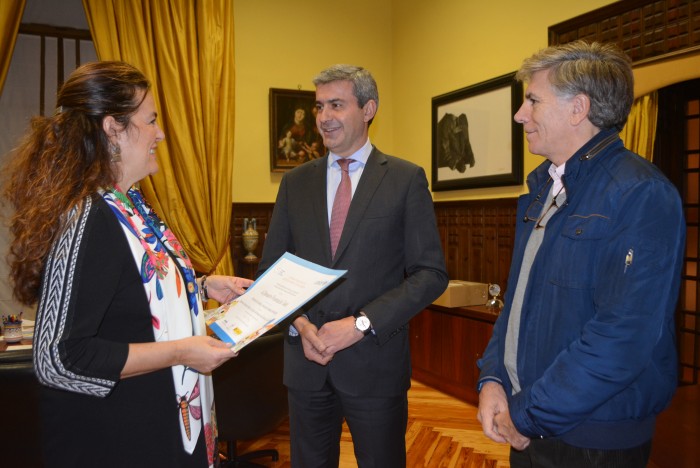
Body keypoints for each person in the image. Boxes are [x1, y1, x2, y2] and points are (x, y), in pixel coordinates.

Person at [3, 61, 253, 467]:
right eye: (151, 120)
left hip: (158, 424)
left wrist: (201, 286)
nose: (161, 133)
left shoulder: (128, 203)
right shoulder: (88, 217)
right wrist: (181, 352)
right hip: (119, 439)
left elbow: (129, 290)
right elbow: (59, 359)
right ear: (113, 128)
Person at [476, 41, 685, 467]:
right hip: (530, 424)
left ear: (578, 109)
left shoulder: (641, 194)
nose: (520, 113)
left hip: (592, 440)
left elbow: (621, 338)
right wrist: (494, 377)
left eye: (532, 99)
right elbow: (516, 304)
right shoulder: (542, 190)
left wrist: (527, 412)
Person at [257, 64, 448, 467]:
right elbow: (271, 273)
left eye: (336, 105)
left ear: (368, 109)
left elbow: (430, 274)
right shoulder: (295, 184)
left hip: (375, 365)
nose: (324, 117)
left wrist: (361, 324)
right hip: (306, 363)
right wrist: (303, 325)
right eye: (319, 107)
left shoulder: (404, 179)